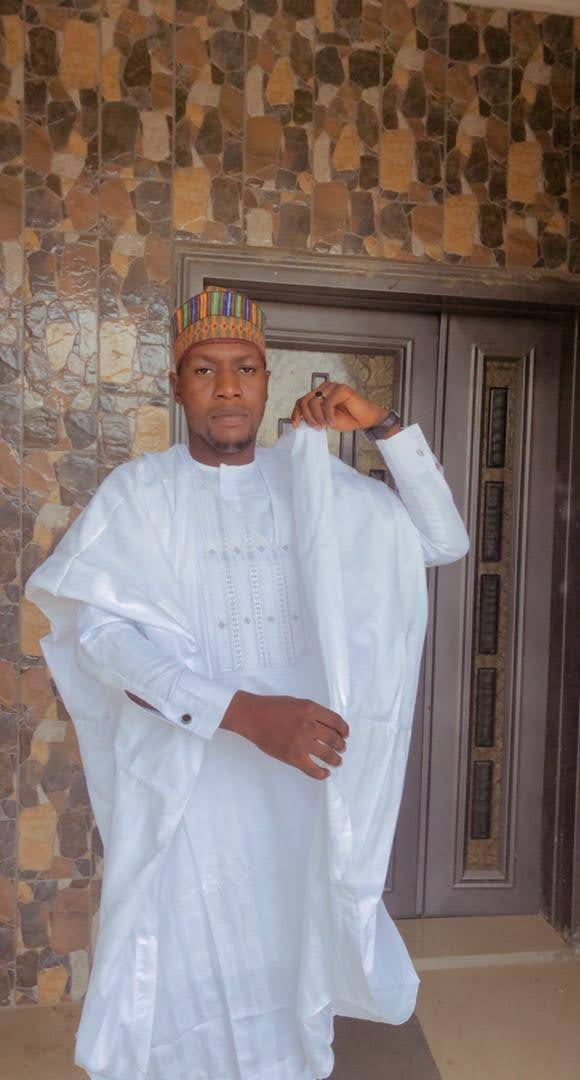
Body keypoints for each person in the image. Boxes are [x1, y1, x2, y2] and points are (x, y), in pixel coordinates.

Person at [25, 286, 469, 1080]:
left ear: (267, 382)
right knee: (178, 985)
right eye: (204, 369)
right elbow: (104, 642)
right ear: (177, 384)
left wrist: (383, 426)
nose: (227, 387)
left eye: (245, 369)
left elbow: (442, 539)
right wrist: (242, 712)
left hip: (299, 797)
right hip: (187, 800)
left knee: (290, 980)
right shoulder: (139, 494)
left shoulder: (314, 487)